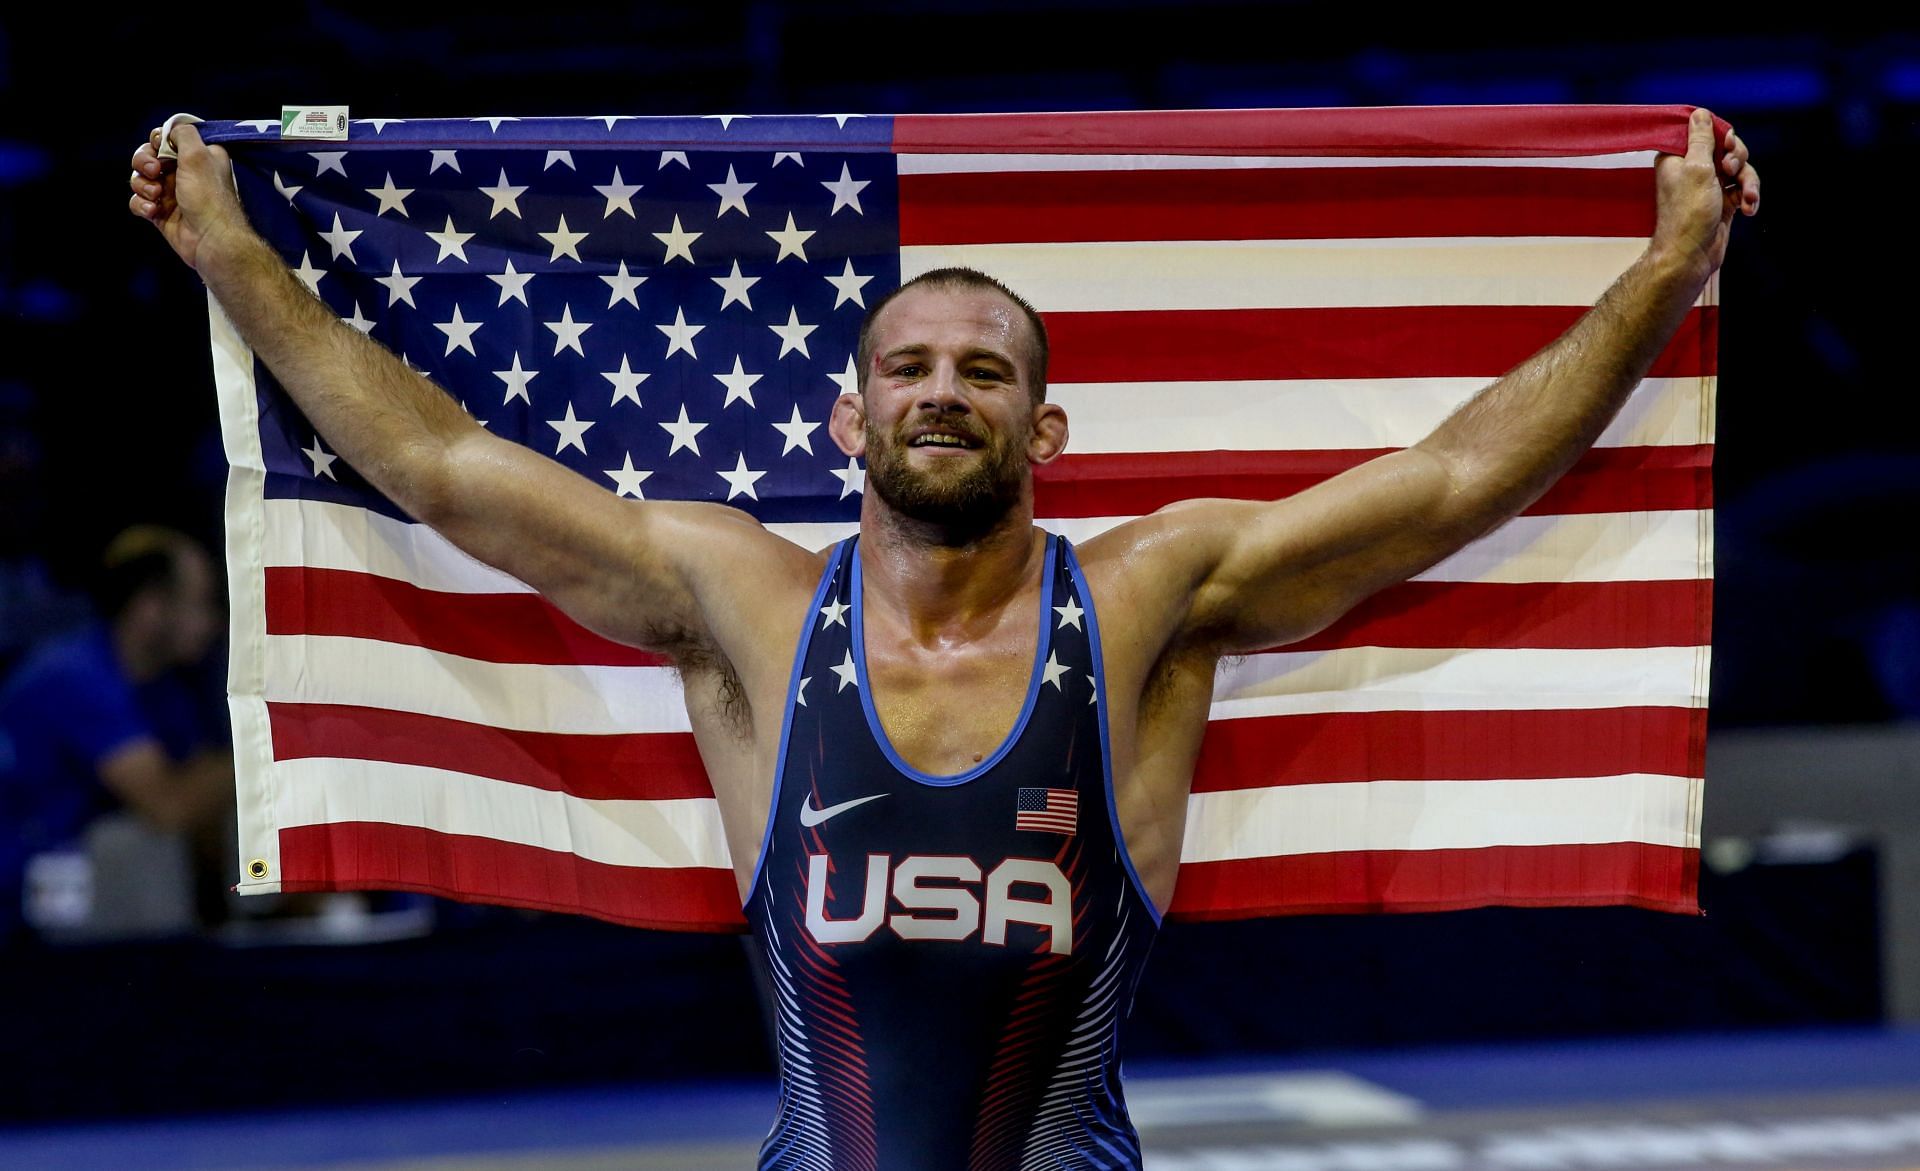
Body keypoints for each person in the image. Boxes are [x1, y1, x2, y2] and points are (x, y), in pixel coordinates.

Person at [130, 111, 1759, 1168]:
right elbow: (440, 473)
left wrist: (1670, 263)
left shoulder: (1147, 600)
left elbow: (1460, 480)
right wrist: (236, 254)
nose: (942, 393)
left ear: (1047, 426)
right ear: (848, 417)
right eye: (910, 366)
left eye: (983, 371)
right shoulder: (746, 602)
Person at [0, 525, 234, 940]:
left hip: (70, 882)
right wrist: (279, 751)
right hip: (20, 902)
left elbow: (203, 790)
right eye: (200, 604)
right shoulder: (73, 675)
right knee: (133, 843)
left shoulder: (164, 689)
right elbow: (169, 806)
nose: (213, 624)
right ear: (150, 608)